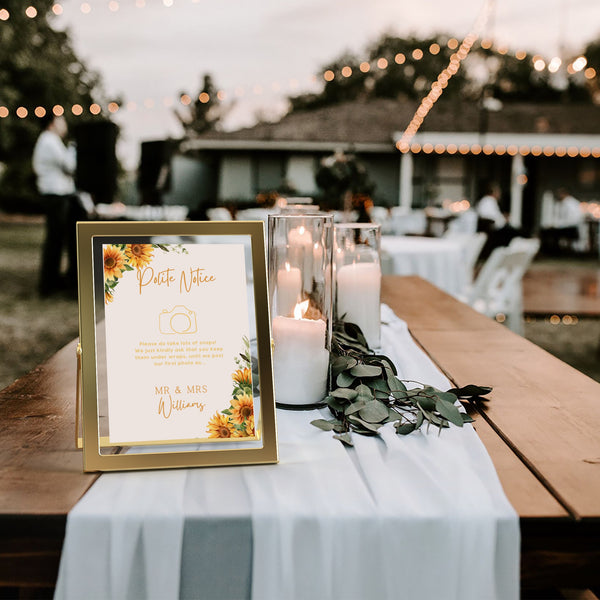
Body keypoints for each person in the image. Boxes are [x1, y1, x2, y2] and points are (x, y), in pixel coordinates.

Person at [32, 113, 85, 296]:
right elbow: (70, 166)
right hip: (55, 196)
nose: (65, 124)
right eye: (61, 120)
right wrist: (74, 149)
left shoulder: (49, 141)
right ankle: (48, 284)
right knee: (55, 240)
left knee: (56, 239)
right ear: (52, 123)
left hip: (56, 195)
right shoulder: (50, 141)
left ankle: (52, 281)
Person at [476, 182, 520, 258]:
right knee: (513, 231)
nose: (499, 194)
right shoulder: (489, 201)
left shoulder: (485, 201)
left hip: (491, 227)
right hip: (492, 229)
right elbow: (493, 217)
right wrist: (504, 219)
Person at [540, 187, 584, 255]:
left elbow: (571, 219)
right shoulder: (562, 203)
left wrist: (556, 225)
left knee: (550, 233)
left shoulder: (571, 203)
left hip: (570, 228)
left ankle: (554, 251)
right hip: (565, 226)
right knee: (546, 231)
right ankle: (552, 250)